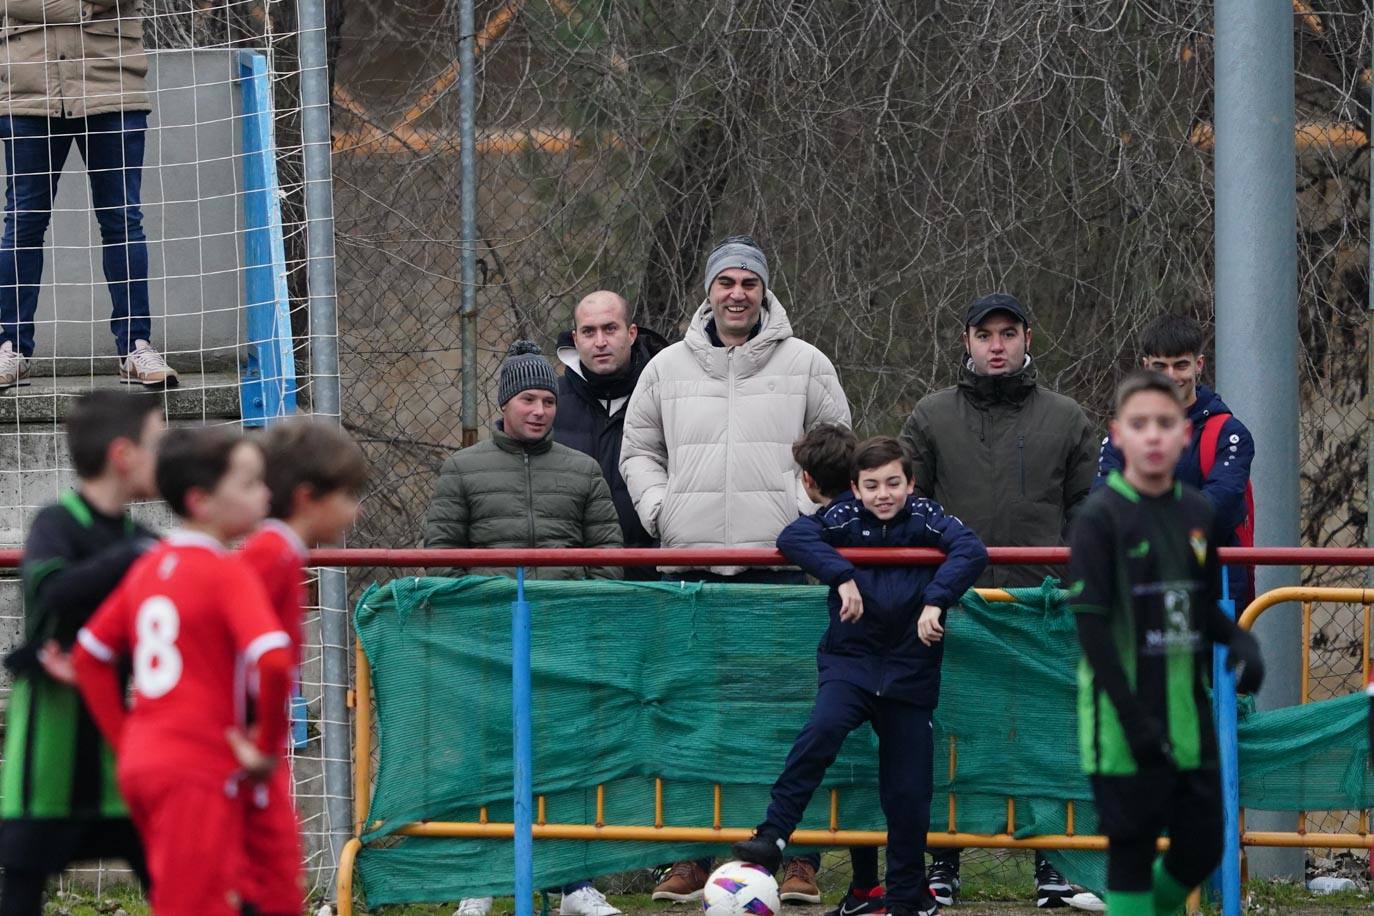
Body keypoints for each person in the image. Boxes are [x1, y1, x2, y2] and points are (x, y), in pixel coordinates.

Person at [619, 235, 850, 903]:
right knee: (690, 713)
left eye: (750, 282)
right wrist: (663, 512)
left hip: (780, 570)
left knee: (787, 716)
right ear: (709, 291)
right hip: (686, 572)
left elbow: (837, 452)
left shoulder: (806, 363)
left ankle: (799, 857)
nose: (738, 293)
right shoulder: (665, 369)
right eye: (727, 282)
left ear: (765, 290)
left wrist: (800, 516)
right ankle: (691, 857)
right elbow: (638, 451)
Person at [898, 292, 1098, 909]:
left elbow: (1089, 506)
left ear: (1027, 338)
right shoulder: (931, 416)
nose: (996, 345)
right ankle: (943, 863)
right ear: (966, 341)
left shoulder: (1067, 417)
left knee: (1044, 731)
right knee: (950, 732)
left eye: (1007, 333)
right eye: (984, 334)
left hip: (1042, 606)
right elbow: (907, 503)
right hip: (957, 607)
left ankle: (1056, 866)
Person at [732, 436, 988, 916]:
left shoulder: (928, 517)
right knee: (820, 732)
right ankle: (772, 836)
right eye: (871, 485)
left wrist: (937, 599)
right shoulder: (844, 517)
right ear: (855, 488)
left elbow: (971, 550)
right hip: (852, 664)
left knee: (909, 788)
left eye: (893, 483)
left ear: (910, 484)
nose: (883, 494)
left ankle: (906, 895)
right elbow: (793, 538)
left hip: (910, 671)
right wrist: (842, 574)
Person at [424, 341, 624, 916]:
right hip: (485, 643)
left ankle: (571, 886)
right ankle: (481, 880)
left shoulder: (583, 470)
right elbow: (441, 557)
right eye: (527, 399)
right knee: (485, 755)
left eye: (547, 400)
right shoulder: (462, 468)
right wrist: (473, 613)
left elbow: (608, 555)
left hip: (563, 639)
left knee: (565, 755)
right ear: (505, 404)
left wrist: (576, 605)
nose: (539, 410)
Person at [71, 426, 295, 916]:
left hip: (146, 761)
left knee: (209, 892)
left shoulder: (149, 565)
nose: (265, 494)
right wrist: (263, 748)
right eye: (250, 483)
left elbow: (88, 656)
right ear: (200, 501)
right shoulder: (224, 571)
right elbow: (275, 658)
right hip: (196, 766)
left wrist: (125, 739)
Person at [1068, 370, 1264, 916]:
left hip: (1187, 712)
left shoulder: (1197, 513)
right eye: (1139, 424)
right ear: (1119, 435)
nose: (1153, 435)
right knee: (1130, 850)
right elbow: (1093, 630)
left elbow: (1198, 605)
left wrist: (1240, 640)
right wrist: (1133, 719)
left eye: (1165, 423)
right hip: (1122, 718)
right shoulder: (1098, 519)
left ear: (1183, 435)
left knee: (1203, 843)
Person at [0, 390, 163, 915]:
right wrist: (133, 558)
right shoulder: (58, 522)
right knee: (23, 881)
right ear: (123, 455)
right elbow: (52, 591)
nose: (164, 458)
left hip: (118, 742)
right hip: (50, 741)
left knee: (166, 874)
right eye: (156, 444)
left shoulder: (143, 538)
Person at [0, 0, 178, 388]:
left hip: (111, 82)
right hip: (28, 88)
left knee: (122, 221)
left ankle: (136, 346)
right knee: (23, 224)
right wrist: (82, 7)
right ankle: (10, 348)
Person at [238, 419, 368, 916]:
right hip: (243, 756)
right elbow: (266, 663)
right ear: (310, 497)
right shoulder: (270, 558)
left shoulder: (280, 556)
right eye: (348, 495)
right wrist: (261, 742)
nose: (355, 511)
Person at [1094, 314, 1256, 610]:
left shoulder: (1228, 433)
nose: (1171, 376)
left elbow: (1223, 503)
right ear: (1146, 367)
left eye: (1180, 364)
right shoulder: (1123, 433)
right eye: (1160, 366)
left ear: (1199, 365)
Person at [554, 290, 668, 579]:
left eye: (610, 328)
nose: (600, 342)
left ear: (631, 333)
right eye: (589, 332)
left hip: (654, 581)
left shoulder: (668, 394)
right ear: (576, 338)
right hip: (571, 584)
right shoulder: (548, 404)